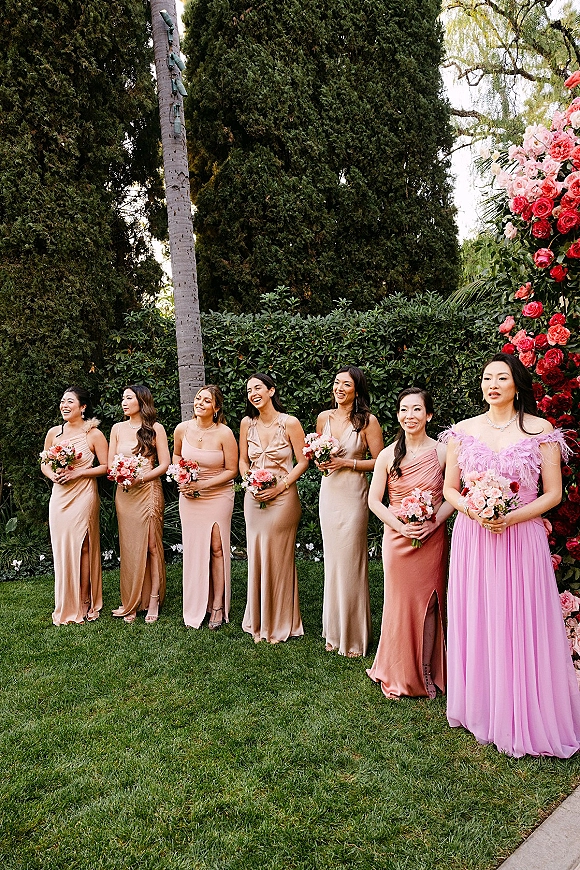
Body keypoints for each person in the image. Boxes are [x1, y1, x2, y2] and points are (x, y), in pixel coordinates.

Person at [442, 352, 580, 757]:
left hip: (521, 538)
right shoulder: (462, 431)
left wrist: (510, 517)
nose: (493, 385)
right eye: (487, 378)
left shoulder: (540, 430)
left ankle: (523, 708)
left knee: (519, 616)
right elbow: (450, 490)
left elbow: (553, 494)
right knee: (480, 614)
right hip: (474, 537)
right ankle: (483, 706)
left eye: (501, 378)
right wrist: (476, 511)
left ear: (517, 385)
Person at [367, 388, 453, 698]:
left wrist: (433, 523)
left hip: (432, 538)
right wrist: (401, 527)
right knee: (398, 605)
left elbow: (452, 496)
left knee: (430, 604)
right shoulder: (387, 455)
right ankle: (396, 669)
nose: (410, 415)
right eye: (404, 409)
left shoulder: (444, 452)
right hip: (397, 539)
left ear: (429, 415)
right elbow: (374, 501)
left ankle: (426, 670)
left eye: (417, 409)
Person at [315, 366, 383, 657]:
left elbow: (381, 461)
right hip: (329, 493)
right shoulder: (323, 418)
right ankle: (333, 632)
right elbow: (317, 452)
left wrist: (348, 463)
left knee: (351, 562)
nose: (339, 388)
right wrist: (320, 461)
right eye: (336, 383)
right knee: (332, 562)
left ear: (357, 390)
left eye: (346, 384)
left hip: (354, 496)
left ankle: (354, 637)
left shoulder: (368, 421)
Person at [239, 373, 309, 643]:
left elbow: (303, 461)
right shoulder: (247, 423)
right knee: (256, 554)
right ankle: (257, 619)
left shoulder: (289, 422)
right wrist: (249, 482)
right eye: (249, 390)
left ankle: (280, 622)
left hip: (283, 498)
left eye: (258, 388)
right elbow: (243, 461)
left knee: (278, 557)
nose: (253, 393)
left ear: (271, 391)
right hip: (254, 498)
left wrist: (281, 486)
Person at [172, 385, 238, 629]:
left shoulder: (224, 433)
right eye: (198, 398)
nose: (200, 403)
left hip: (218, 494)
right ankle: (196, 603)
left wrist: (203, 485)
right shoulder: (182, 429)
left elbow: (232, 470)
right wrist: (182, 478)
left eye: (206, 400)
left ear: (216, 407)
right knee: (194, 548)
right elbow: (176, 457)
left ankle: (217, 605)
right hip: (190, 496)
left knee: (217, 548)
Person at [42, 387, 108, 625]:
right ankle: (65, 599)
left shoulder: (94, 434)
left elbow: (105, 467)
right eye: (62, 401)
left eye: (70, 401)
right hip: (60, 496)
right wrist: (52, 475)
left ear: (83, 407)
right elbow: (44, 462)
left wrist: (78, 473)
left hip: (83, 494)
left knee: (84, 546)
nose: (64, 405)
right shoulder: (54, 433)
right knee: (63, 547)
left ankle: (85, 599)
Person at [109, 385, 170, 624]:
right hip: (125, 493)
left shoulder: (155, 428)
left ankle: (153, 599)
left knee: (151, 545)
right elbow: (110, 464)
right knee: (131, 547)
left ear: (141, 401)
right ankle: (132, 601)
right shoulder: (116, 428)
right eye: (122, 398)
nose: (124, 402)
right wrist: (120, 474)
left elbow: (164, 464)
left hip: (148, 490)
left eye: (129, 398)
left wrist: (141, 477)